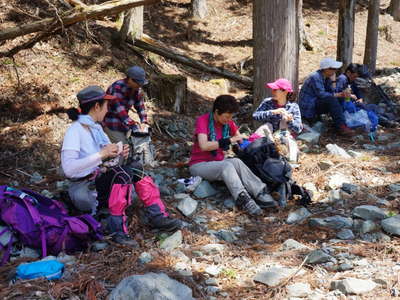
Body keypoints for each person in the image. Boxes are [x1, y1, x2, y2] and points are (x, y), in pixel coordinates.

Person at [61, 86, 181, 246]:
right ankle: (116, 230)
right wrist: (102, 154)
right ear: (97, 107)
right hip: (84, 189)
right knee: (121, 175)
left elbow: (106, 162)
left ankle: (157, 215)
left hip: (98, 181)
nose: (107, 109)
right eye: (105, 105)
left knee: (136, 167)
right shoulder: (75, 131)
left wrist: (118, 154)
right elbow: (68, 169)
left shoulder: (96, 129)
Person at [188, 95, 278, 216]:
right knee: (227, 167)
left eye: (231, 116)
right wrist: (229, 140)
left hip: (217, 162)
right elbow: (204, 145)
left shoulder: (228, 123)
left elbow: (240, 140)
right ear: (217, 112)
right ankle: (243, 199)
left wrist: (257, 146)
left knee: (236, 162)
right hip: (199, 165)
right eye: (226, 116)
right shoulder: (203, 121)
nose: (229, 119)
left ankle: (260, 191)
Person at [298, 58, 354, 136]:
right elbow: (322, 94)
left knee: (337, 98)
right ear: (326, 69)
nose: (335, 71)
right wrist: (339, 94)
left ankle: (340, 121)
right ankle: (341, 126)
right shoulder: (315, 77)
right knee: (331, 100)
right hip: (308, 107)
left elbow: (332, 91)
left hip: (316, 103)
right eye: (333, 69)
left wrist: (342, 92)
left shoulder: (326, 78)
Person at [103, 66, 149, 144]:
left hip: (123, 123)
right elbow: (120, 112)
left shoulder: (136, 89)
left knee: (134, 144)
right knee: (124, 148)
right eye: (138, 83)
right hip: (110, 122)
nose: (140, 85)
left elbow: (140, 106)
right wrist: (134, 125)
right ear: (130, 79)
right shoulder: (117, 87)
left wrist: (144, 122)